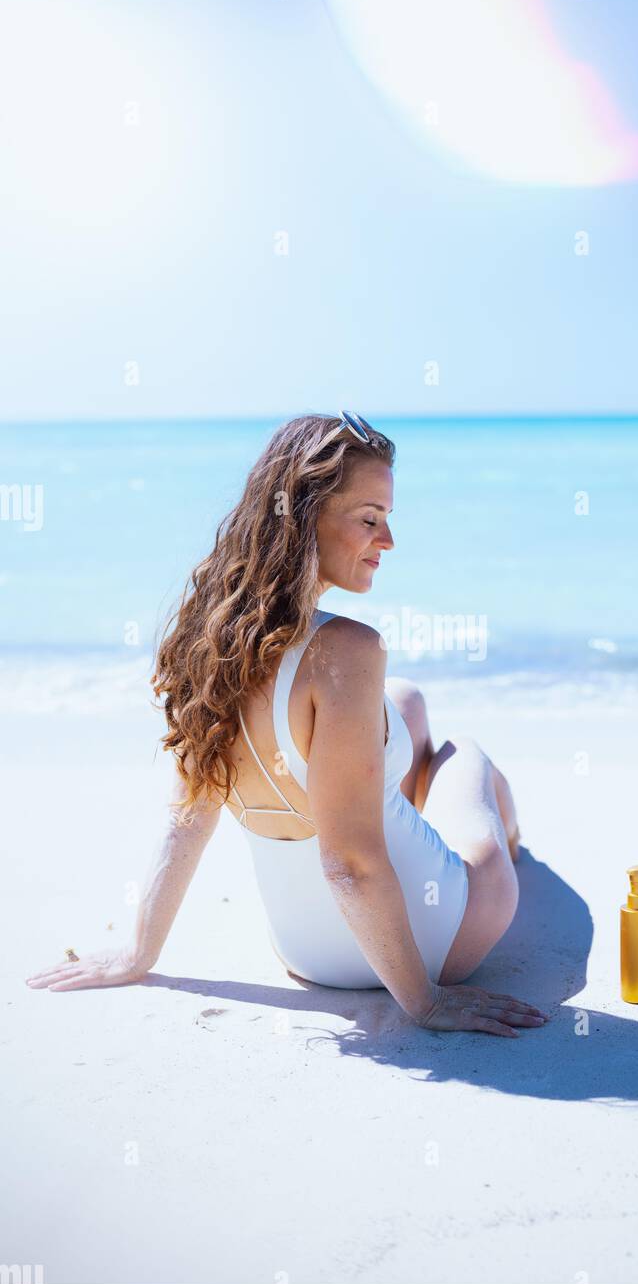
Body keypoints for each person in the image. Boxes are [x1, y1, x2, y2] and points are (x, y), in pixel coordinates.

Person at [26, 412, 549, 1038]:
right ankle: (513, 845)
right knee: (468, 759)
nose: (387, 542)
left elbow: (187, 818)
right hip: (429, 942)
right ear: (303, 517)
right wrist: (425, 1001)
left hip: (303, 949)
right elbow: (348, 863)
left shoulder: (211, 637)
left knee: (404, 701)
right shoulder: (349, 651)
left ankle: (393, 780)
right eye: (369, 519)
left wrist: (141, 954)